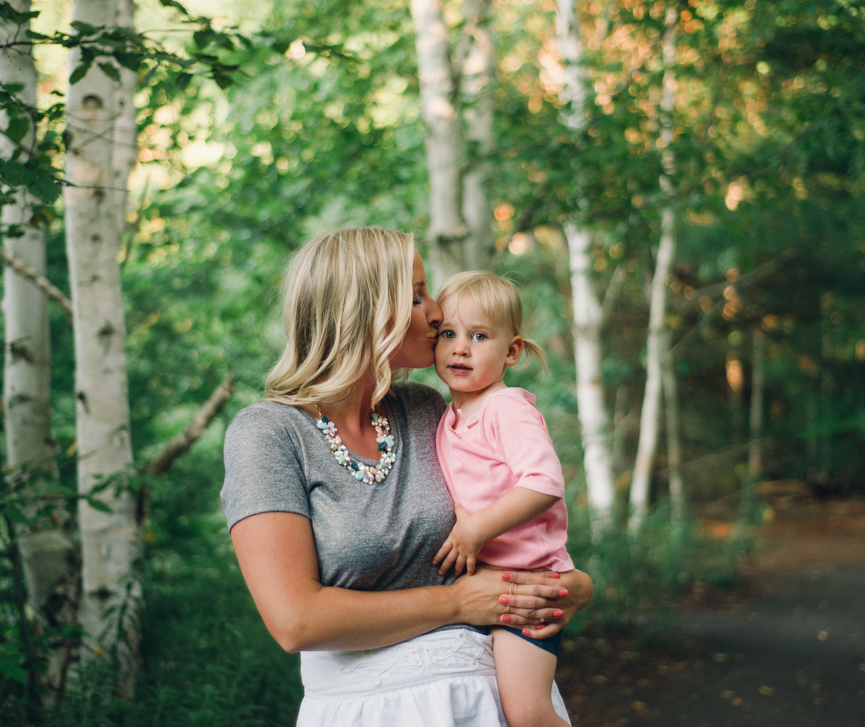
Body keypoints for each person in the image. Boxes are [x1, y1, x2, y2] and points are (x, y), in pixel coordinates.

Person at [221, 227, 592, 726]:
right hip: (373, 710)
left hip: (490, 701)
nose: (438, 312)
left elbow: (511, 525)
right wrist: (458, 602)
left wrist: (575, 586)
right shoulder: (268, 434)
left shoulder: (425, 409)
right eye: (417, 296)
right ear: (366, 313)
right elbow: (295, 621)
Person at [430, 271, 573, 727]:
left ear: (512, 351)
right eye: (448, 333)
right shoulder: (449, 415)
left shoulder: (506, 408)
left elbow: (544, 481)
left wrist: (475, 527)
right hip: (490, 587)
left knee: (527, 713)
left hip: (527, 585)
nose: (460, 348)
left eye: (479, 336)